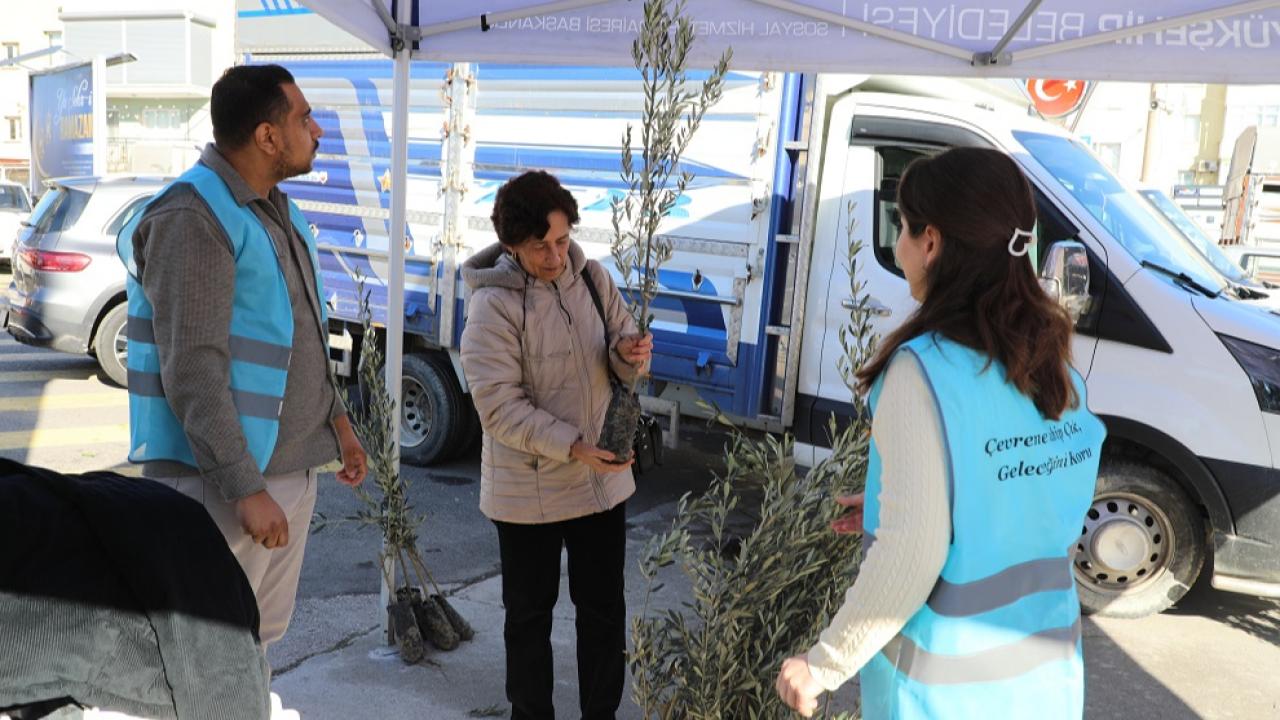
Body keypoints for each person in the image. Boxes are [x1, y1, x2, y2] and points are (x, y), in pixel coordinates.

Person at [775, 147, 1107, 719]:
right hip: (1045, 683)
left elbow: (911, 554)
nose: (898, 247)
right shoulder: (1053, 367)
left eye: (900, 227)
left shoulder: (921, 372)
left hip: (942, 696)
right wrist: (903, 502)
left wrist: (823, 664)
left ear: (930, 242)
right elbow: (1021, 496)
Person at [116, 64, 367, 656]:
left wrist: (338, 422)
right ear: (267, 136)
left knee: (254, 644)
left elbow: (300, 332)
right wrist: (245, 488)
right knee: (208, 651)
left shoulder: (273, 209)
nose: (317, 131)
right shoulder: (193, 216)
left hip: (282, 473)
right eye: (305, 118)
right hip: (223, 484)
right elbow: (193, 370)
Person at [459, 170, 653, 720]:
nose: (555, 257)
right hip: (527, 493)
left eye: (562, 241)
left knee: (603, 613)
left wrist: (630, 355)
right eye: (539, 246)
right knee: (528, 620)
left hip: (599, 483)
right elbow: (498, 407)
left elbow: (621, 356)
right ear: (511, 245)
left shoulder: (592, 277)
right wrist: (572, 445)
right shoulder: (492, 306)